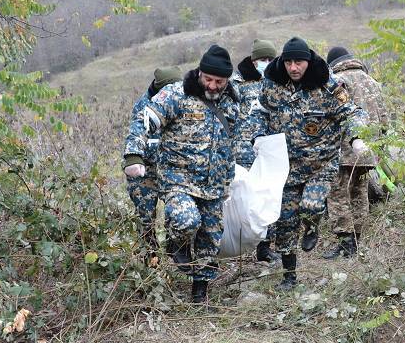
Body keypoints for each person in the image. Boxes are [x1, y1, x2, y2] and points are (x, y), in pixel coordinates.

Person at [123, 45, 238, 303]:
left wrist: (234, 172)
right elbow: (145, 120)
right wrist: (133, 155)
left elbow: (234, 138)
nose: (212, 85)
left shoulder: (232, 99)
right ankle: (178, 244)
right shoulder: (176, 94)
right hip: (178, 180)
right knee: (187, 221)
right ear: (199, 73)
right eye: (208, 79)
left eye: (219, 81)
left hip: (215, 184)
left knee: (211, 239)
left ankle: (200, 295)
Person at [253, 37, 369, 290]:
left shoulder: (328, 85)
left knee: (312, 206)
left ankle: (312, 225)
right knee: (285, 221)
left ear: (308, 61)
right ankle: (289, 276)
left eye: (299, 62)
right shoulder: (272, 85)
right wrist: (257, 135)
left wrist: (357, 136)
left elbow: (351, 112)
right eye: (289, 62)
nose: (294, 68)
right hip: (286, 166)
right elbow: (258, 112)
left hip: (321, 163)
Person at [323, 47, 388, 259]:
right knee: (360, 192)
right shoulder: (373, 82)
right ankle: (357, 239)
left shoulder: (338, 81)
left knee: (338, 193)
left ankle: (345, 243)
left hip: (344, 148)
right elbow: (386, 118)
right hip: (369, 150)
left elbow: (332, 115)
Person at [123, 66, 183, 264]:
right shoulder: (144, 105)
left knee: (176, 212)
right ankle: (151, 258)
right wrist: (135, 158)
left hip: (171, 169)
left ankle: (176, 251)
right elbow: (136, 134)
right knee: (145, 218)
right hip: (145, 171)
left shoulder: (183, 102)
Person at [232, 38, 281, 263]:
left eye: (271, 59)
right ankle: (234, 244)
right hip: (239, 152)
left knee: (267, 198)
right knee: (240, 201)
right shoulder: (235, 83)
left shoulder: (276, 82)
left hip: (266, 152)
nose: (267, 62)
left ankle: (264, 248)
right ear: (253, 60)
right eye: (263, 59)